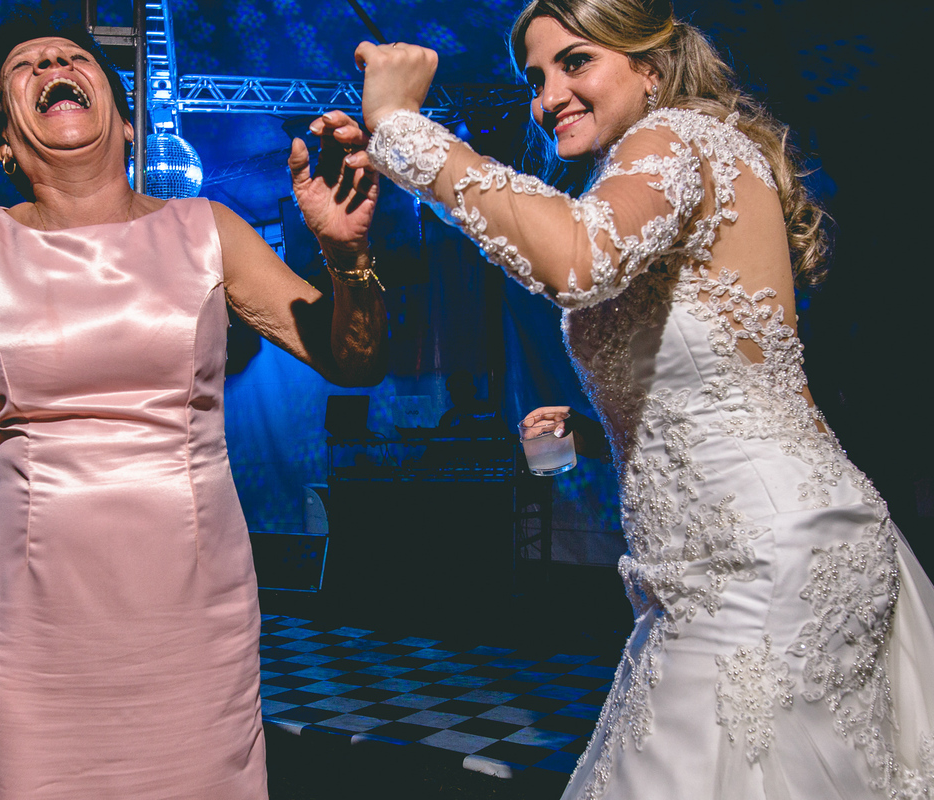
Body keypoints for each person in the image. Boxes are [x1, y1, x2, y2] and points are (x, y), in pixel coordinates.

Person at [0, 10, 386, 799]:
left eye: (70, 57)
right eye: (25, 67)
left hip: (193, 608)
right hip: (38, 617)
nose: (52, 64)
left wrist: (350, 262)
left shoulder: (208, 230)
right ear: (4, 141)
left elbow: (354, 360)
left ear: (128, 121)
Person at [349, 0, 934, 797]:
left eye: (575, 61)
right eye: (535, 76)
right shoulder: (668, 166)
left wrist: (400, 125)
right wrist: (593, 432)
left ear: (650, 67)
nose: (548, 94)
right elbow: (735, 381)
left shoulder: (679, 137)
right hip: (729, 560)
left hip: (761, 570)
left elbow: (579, 260)